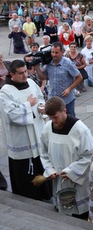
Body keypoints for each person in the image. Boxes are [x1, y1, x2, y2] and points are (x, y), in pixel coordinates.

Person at [0, 59, 51, 200]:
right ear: (11, 74)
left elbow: (40, 98)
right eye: (21, 73)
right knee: (25, 171)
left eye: (25, 72)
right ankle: (27, 196)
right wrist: (29, 104)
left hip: (37, 132)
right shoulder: (5, 91)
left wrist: (41, 106)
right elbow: (11, 115)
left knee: (41, 164)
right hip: (20, 138)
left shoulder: (31, 83)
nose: (25, 76)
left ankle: (45, 193)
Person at [40, 97, 93, 219]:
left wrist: (70, 171)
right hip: (58, 180)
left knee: (80, 215)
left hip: (77, 181)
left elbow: (90, 155)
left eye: (55, 117)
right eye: (50, 118)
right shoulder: (47, 128)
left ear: (64, 111)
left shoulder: (80, 130)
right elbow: (44, 152)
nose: (53, 121)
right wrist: (50, 170)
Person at [37, 42, 83, 116]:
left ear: (62, 52)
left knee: (69, 120)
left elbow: (79, 77)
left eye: (56, 52)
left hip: (67, 100)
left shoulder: (68, 63)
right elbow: (44, 77)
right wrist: (37, 68)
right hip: (53, 99)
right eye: (52, 52)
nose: (54, 54)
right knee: (54, 120)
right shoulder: (49, 63)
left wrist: (69, 89)